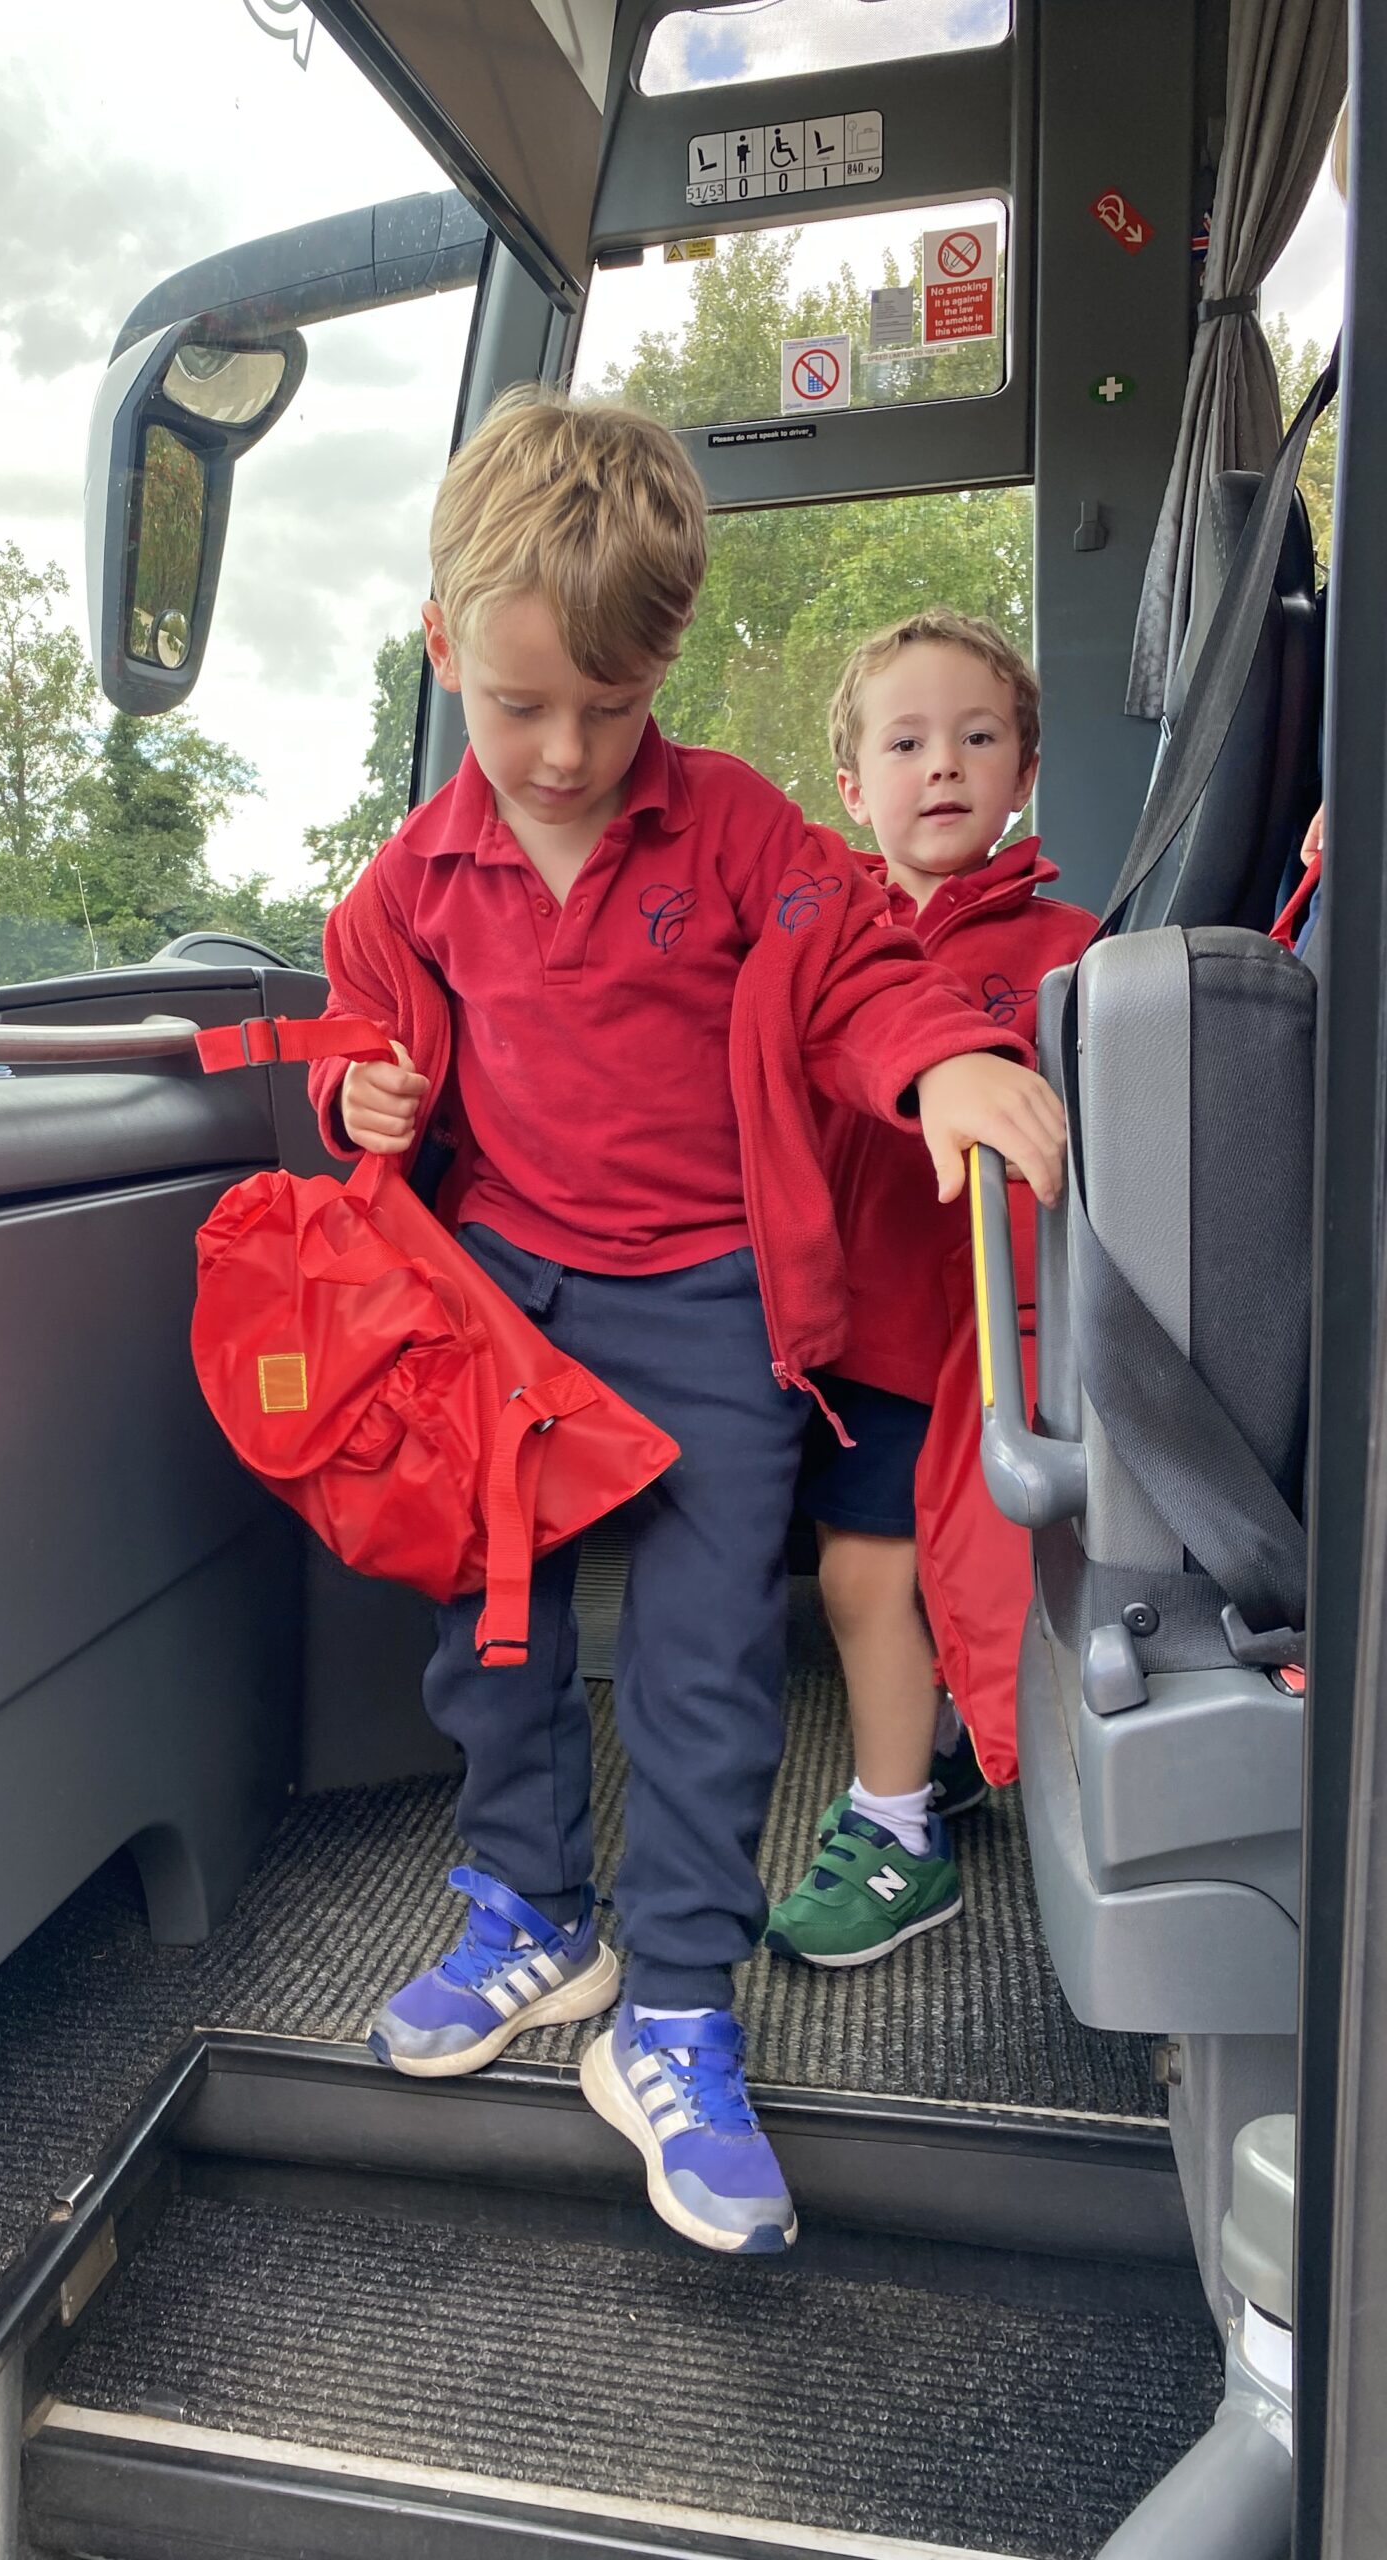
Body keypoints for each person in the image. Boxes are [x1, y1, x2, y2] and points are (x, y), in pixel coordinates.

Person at [306, 395, 1066, 2255]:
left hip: (715, 1304)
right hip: (506, 1302)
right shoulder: (414, 874)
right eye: (518, 707)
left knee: (708, 1659)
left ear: (670, 675)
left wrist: (950, 1061)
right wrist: (356, 1101)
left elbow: (862, 974)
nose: (564, 753)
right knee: (495, 1630)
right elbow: (351, 1021)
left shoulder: (734, 830)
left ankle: (671, 2009)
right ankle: (529, 1915)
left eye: (610, 708)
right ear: (444, 652)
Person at [765, 609, 1095, 1968]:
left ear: (1024, 773)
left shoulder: (1068, 946)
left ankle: (896, 1820)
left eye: (978, 739)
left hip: (992, 1346)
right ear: (851, 786)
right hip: (851, 1332)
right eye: (905, 743)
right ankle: (927, 1771)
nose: (943, 766)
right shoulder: (811, 940)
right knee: (873, 1575)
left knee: (892, 1574)